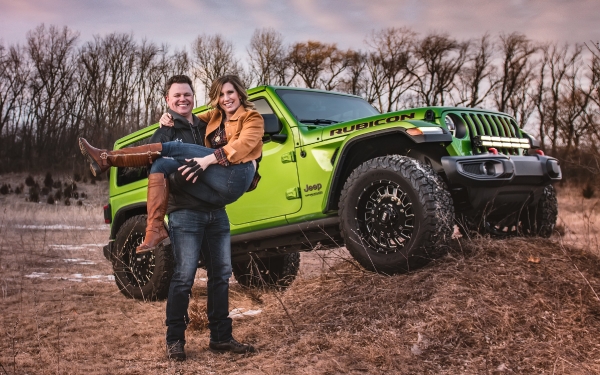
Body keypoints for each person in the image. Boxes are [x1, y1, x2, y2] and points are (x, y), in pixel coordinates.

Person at [78, 74, 262, 359]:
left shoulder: (207, 123)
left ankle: (221, 338)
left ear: (194, 97)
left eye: (187, 94)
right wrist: (181, 175)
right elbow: (153, 171)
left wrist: (243, 168)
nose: (182, 99)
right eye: (176, 96)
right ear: (167, 100)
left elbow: (233, 132)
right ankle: (175, 340)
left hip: (215, 211)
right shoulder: (162, 132)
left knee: (221, 275)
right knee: (183, 276)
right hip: (185, 213)